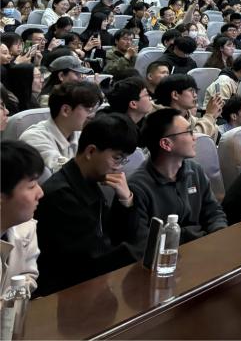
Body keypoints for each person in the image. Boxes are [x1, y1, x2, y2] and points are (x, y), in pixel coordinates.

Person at [34, 113, 139, 296]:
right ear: (90, 152)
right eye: (117, 158)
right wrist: (140, 252)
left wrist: (126, 200)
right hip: (64, 292)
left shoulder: (89, 181)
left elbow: (117, 235)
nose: (119, 167)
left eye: (123, 160)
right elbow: (90, 256)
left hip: (92, 284)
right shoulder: (60, 195)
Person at [129, 108, 227, 250]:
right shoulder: (138, 187)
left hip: (204, 247)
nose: (194, 137)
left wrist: (219, 236)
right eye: (188, 132)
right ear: (166, 144)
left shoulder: (195, 170)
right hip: (166, 256)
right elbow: (144, 242)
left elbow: (214, 212)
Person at [20, 81, 102, 173]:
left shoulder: (79, 133)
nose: (92, 116)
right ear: (66, 110)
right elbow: (63, 170)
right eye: (88, 110)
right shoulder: (34, 138)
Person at [1, 141, 44, 294]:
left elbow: (28, 274)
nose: (40, 193)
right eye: (31, 186)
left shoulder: (26, 226)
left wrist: (12, 298)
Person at [154, 73, 221, 138]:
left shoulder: (192, 120)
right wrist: (209, 115)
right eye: (191, 91)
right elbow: (189, 140)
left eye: (195, 92)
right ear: (175, 95)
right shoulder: (160, 120)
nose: (195, 95)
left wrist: (213, 116)